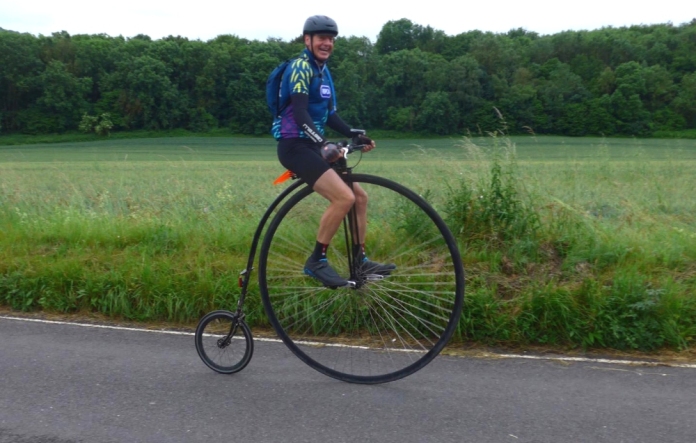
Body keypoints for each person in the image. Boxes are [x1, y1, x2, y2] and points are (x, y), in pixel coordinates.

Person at [272, 15, 395, 287]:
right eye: (321, 38)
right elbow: (301, 112)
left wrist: (354, 134)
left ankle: (361, 260)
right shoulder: (301, 68)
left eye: (331, 39)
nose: (327, 43)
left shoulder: (323, 72)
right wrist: (322, 144)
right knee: (343, 198)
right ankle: (317, 260)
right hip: (295, 145)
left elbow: (329, 115)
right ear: (308, 40)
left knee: (359, 198)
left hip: (312, 142)